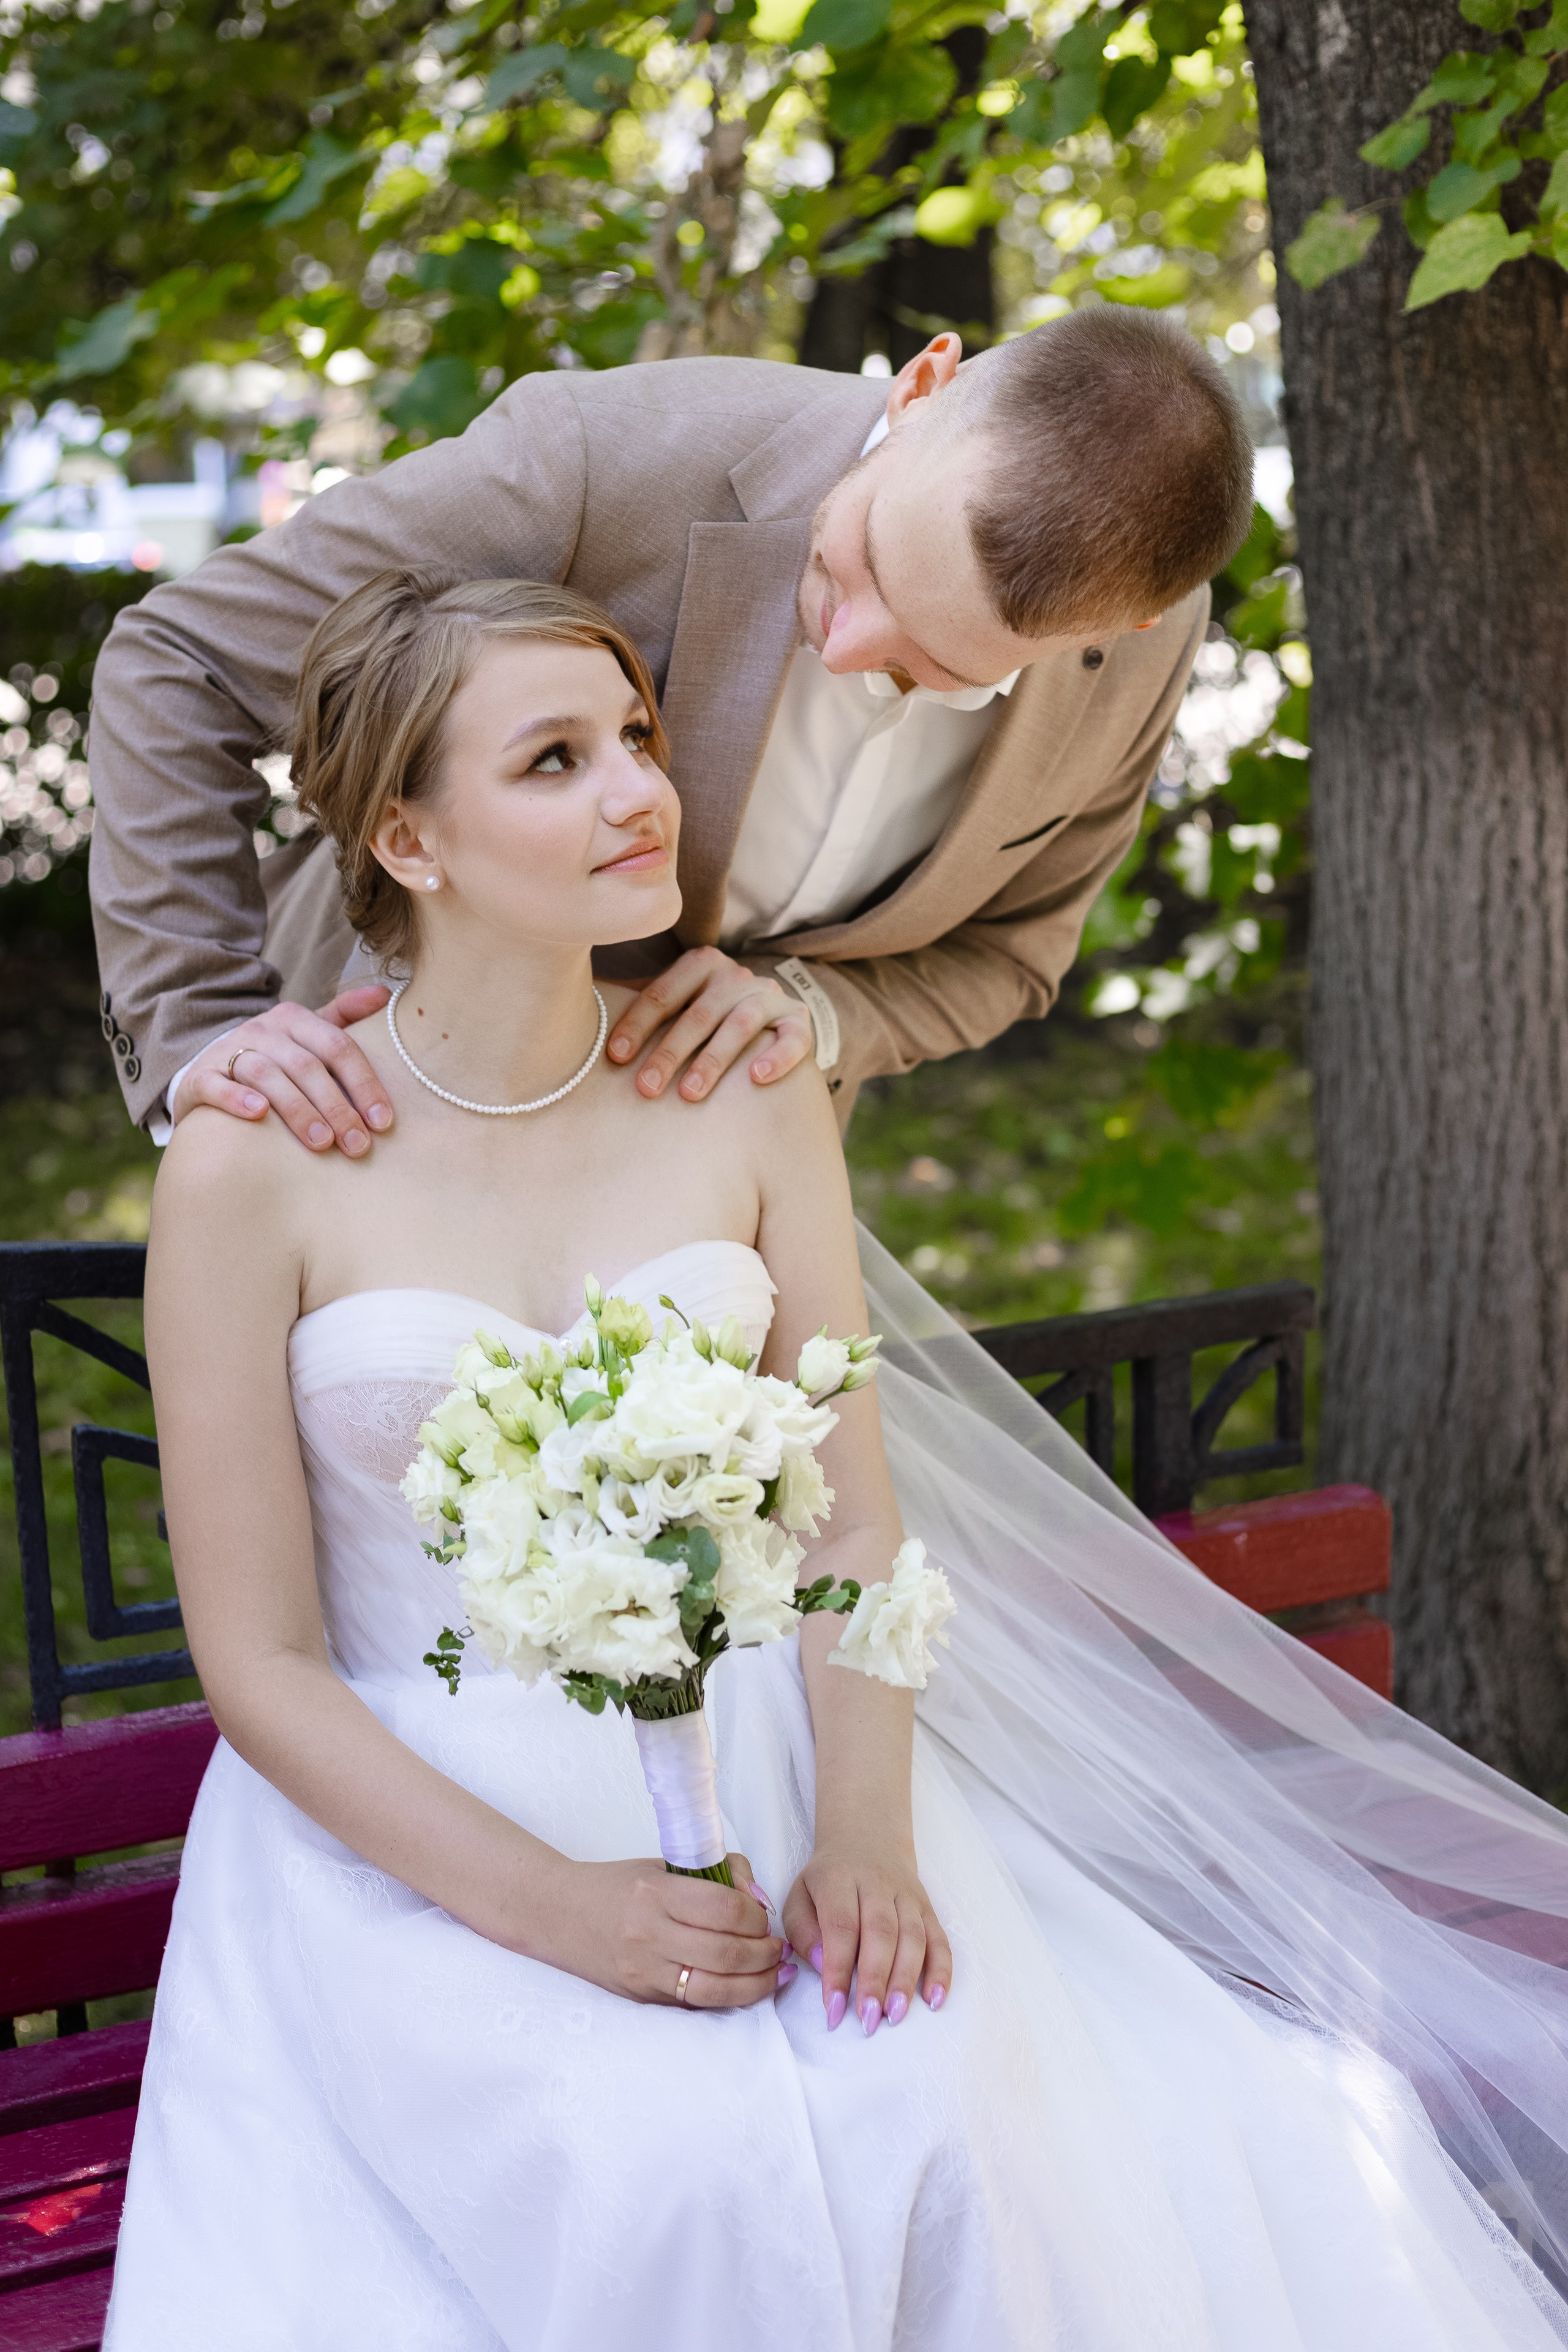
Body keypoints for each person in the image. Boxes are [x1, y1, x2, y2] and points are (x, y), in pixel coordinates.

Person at [107, 567, 1568, 2351]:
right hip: (419, 1842)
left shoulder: (741, 1088)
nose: (641, 791)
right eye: (555, 761)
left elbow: (855, 1526)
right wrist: (562, 1911)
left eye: (636, 737)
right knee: (670, 2192)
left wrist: (868, 1835)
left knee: (1008, 2144)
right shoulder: (253, 1164)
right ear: (409, 838)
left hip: (783, 1766)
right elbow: (255, 1663)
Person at [85, 309, 1253, 1153]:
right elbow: (177, 661)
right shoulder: (605, 460)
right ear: (921, 387)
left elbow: (1011, 956)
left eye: (935, 666)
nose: (848, 649)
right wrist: (198, 1035)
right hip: (363, 1120)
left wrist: (819, 1012)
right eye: (860, 560)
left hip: (728, 1212)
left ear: (1128, 622)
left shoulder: (1146, 641)